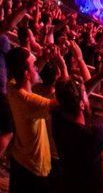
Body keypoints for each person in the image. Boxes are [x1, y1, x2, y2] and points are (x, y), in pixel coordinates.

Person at [51, 60, 103, 193]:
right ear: (81, 105)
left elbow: (75, 95)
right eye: (85, 95)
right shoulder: (91, 136)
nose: (87, 95)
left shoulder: (58, 116)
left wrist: (102, 74)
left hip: (67, 184)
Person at [6, 45, 56, 192]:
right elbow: (67, 102)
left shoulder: (12, 87)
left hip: (19, 161)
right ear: (27, 74)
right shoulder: (31, 102)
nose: (37, 68)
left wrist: (44, 59)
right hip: (34, 170)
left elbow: (27, 72)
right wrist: (62, 69)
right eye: (34, 66)